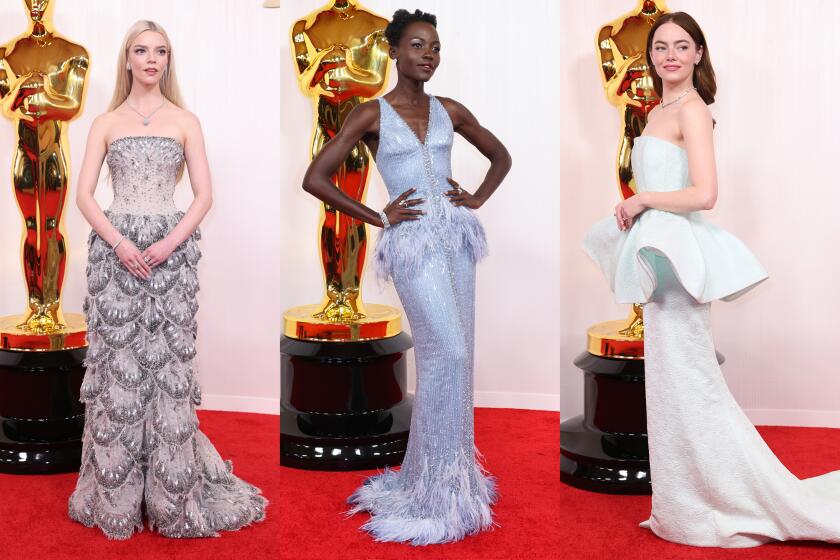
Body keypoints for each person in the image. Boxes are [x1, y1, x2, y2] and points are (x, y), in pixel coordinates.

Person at [584, 11, 840, 548]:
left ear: (699, 54)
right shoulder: (658, 110)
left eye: (682, 45)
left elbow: (705, 194)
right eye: (661, 47)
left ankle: (711, 502)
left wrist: (644, 198)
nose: (670, 55)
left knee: (690, 379)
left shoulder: (693, 111)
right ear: (650, 57)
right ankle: (686, 503)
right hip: (662, 254)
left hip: (678, 258)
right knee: (672, 383)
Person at [302, 8, 512, 546]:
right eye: (418, 45)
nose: (428, 55)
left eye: (435, 48)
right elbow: (316, 177)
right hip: (413, 244)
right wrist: (377, 215)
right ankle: (428, 491)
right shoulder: (370, 113)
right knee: (446, 350)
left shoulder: (452, 110)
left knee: (460, 350)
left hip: (456, 239)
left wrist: (477, 199)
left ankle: (452, 482)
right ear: (393, 52)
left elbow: (500, 156)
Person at [67, 20, 266, 540]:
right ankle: (117, 495)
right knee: (119, 369)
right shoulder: (106, 122)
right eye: (141, 50)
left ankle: (171, 491)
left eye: (160, 51)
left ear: (168, 60)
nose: (151, 58)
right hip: (116, 255)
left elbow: (203, 196)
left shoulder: (186, 121)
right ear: (127, 59)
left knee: (167, 364)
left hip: (170, 255)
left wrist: (167, 243)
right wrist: (119, 242)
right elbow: (84, 195)